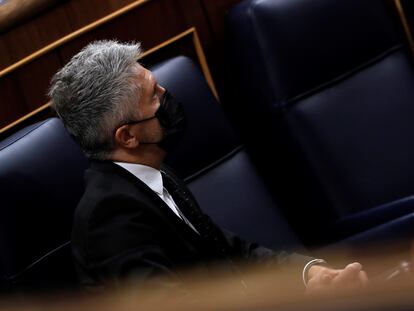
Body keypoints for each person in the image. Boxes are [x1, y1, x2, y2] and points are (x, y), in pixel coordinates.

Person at [48, 40, 368, 295]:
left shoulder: (152, 176)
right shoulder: (110, 222)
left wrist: (309, 273)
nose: (167, 96)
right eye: (154, 96)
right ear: (128, 136)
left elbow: (229, 249)